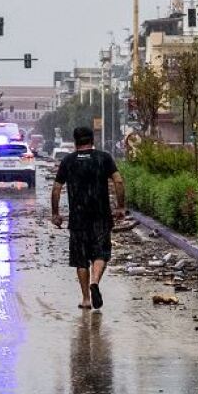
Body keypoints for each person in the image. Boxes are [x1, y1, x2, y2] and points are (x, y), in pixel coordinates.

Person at [51, 126, 125, 310]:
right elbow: (118, 181)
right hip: (101, 216)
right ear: (92, 140)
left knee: (81, 259)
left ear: (75, 141)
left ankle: (85, 299)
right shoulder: (104, 158)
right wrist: (121, 206)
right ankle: (95, 281)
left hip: (78, 218)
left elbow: (56, 189)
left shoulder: (68, 161)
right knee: (101, 253)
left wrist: (55, 213)